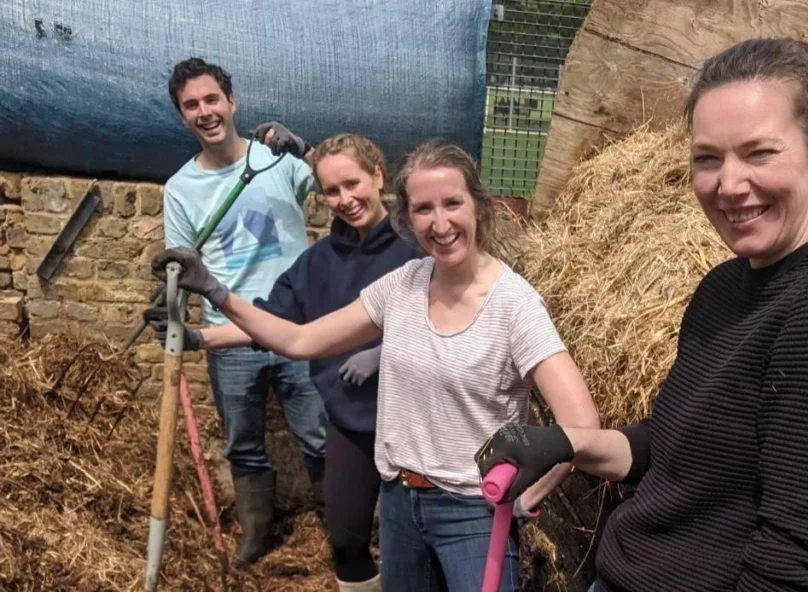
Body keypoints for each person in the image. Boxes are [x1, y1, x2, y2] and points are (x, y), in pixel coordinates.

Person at [474, 37, 808, 592]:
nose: (729, 186)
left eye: (759, 152)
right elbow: (673, 448)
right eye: (708, 158)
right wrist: (566, 444)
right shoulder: (726, 286)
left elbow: (787, 561)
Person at [149, 139, 602, 591]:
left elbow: (581, 424)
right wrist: (214, 291)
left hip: (474, 512)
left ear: (479, 207)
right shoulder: (403, 284)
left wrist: (529, 497)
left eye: (452, 203)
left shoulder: (514, 305)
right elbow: (301, 338)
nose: (440, 223)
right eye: (423, 209)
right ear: (408, 216)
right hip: (401, 501)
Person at [147, 130, 420, 590]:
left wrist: (386, 349)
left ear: (378, 177)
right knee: (345, 542)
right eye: (331, 190)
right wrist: (197, 337)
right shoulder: (317, 264)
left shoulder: (414, 245)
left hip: (415, 424)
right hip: (353, 423)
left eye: (352, 184)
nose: (344, 199)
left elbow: (452, 313)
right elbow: (269, 323)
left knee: (408, 547)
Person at [157, 57, 327, 564]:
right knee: (244, 443)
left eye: (212, 99)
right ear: (182, 116)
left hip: (297, 330)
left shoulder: (276, 160)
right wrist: (172, 319)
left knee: (318, 436)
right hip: (228, 337)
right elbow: (182, 267)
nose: (205, 111)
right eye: (192, 105)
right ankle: (258, 533)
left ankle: (339, 524)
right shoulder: (180, 190)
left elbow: (340, 181)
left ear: (232, 102)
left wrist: (304, 149)